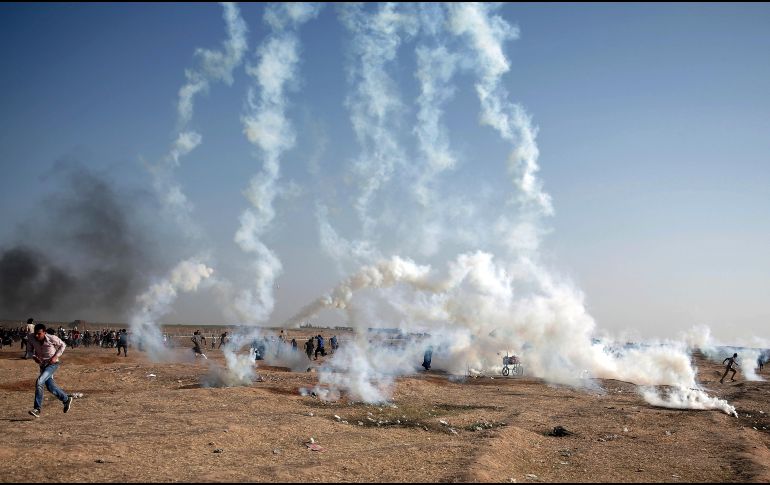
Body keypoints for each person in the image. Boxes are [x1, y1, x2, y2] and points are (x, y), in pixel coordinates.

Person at [27, 323, 73, 417]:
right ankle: (66, 399)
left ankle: (37, 409)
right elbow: (29, 350)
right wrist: (34, 357)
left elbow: (63, 345)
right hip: (42, 365)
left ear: (44, 332)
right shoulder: (31, 338)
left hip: (52, 364)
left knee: (39, 382)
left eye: (39, 334)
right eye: (35, 333)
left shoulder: (51, 338)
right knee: (50, 387)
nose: (37, 335)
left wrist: (55, 357)